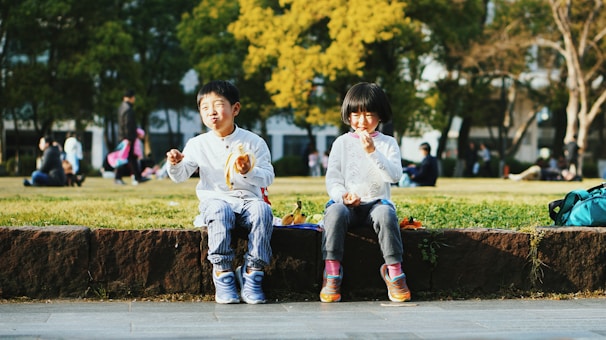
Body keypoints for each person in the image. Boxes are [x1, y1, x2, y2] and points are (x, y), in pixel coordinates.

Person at [166, 80, 275, 304]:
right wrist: (175, 163)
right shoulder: (197, 144)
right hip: (215, 199)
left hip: (247, 199)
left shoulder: (253, 142)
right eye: (205, 108)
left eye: (218, 105)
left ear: (235, 109)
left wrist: (248, 171)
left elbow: (268, 177)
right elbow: (180, 176)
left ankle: (253, 273)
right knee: (220, 211)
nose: (212, 112)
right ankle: (223, 273)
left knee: (262, 211)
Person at [321, 82, 410, 303]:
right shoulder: (341, 143)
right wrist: (343, 196)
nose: (362, 121)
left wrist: (372, 152)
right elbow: (333, 178)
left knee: (386, 215)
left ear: (380, 115)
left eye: (369, 115)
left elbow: (394, 176)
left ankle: (394, 272)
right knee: (334, 213)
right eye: (356, 115)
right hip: (348, 205)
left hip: (377, 203)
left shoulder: (388, 143)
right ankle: (332, 272)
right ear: (348, 116)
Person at [115, 89, 147, 185]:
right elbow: (128, 125)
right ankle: (119, 177)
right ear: (131, 97)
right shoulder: (128, 109)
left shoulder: (121, 107)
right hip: (128, 138)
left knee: (130, 158)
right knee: (125, 158)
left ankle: (138, 177)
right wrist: (129, 138)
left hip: (123, 137)